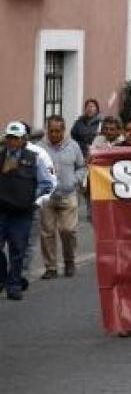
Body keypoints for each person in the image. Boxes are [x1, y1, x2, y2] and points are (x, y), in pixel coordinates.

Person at [0, 122, 56, 300]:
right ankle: (2, 278)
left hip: (22, 214)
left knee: (18, 251)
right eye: (10, 138)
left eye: (16, 138)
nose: (12, 141)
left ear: (24, 139)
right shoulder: (0, 157)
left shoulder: (35, 158)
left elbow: (47, 184)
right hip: (1, 212)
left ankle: (14, 285)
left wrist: (34, 200)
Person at [39, 116, 87, 279]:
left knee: (68, 230)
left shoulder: (73, 146)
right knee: (47, 232)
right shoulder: (39, 147)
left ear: (63, 130)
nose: (54, 134)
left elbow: (81, 167)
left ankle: (69, 261)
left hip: (68, 195)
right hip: (47, 197)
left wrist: (75, 180)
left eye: (57, 131)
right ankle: (51, 267)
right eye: (51, 131)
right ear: (47, 130)